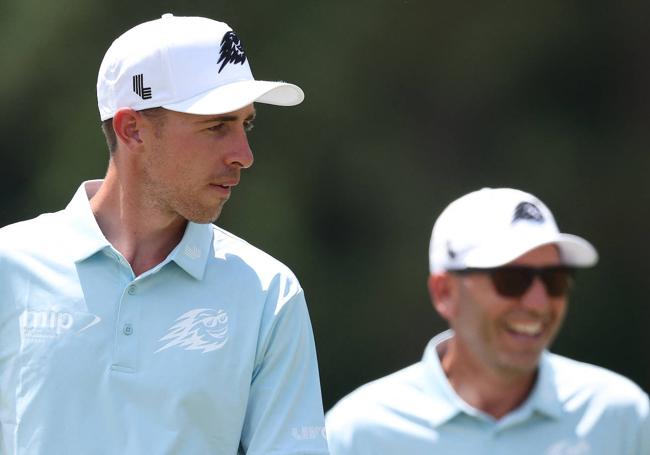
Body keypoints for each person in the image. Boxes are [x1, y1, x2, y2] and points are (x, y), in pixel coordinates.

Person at [0, 14, 328, 454]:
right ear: (132, 129)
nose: (244, 155)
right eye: (217, 126)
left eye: (245, 124)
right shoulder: (10, 265)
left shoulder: (268, 293)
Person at [326, 187, 650, 454]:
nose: (538, 303)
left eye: (554, 279)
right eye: (511, 280)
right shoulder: (355, 434)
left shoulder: (621, 417)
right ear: (444, 293)